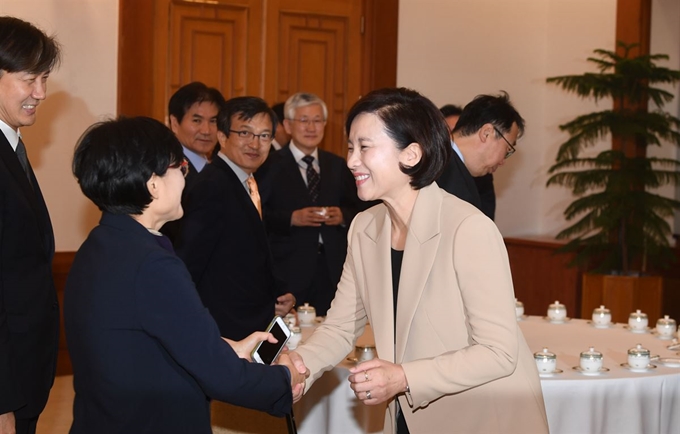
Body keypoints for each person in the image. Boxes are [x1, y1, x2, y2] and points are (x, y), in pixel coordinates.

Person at [290, 88, 548, 434]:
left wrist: (403, 376)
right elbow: (340, 327)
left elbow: (498, 352)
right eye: (351, 147)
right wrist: (294, 368)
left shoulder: (467, 228)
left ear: (411, 154)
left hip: (482, 415)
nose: (351, 160)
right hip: (410, 413)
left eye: (365, 147)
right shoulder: (365, 228)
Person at [65, 117, 306, 433]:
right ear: (153, 184)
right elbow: (223, 377)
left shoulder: (99, 246)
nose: (185, 177)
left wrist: (226, 349)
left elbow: (140, 342)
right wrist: (285, 380)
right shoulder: (152, 265)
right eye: (179, 168)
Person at [174, 97, 296, 341]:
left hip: (248, 322)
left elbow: (249, 253)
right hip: (224, 329)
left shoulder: (245, 180)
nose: (255, 144)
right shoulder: (212, 186)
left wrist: (279, 292)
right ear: (222, 137)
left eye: (264, 136)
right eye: (245, 133)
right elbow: (190, 264)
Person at [0, 17, 61, 434]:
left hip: (25, 370)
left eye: (44, 79)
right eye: (29, 80)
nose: (40, 93)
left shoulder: (13, 145)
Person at [257, 92, 362, 316]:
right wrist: (291, 218)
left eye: (317, 121)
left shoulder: (337, 164)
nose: (311, 127)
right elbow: (258, 215)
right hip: (289, 268)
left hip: (333, 268)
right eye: (304, 120)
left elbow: (361, 208)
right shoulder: (269, 165)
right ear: (287, 125)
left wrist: (342, 216)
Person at [437, 92, 523, 221]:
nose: (502, 162)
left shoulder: (443, 161)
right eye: (507, 149)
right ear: (486, 133)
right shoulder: (438, 168)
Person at [162, 82, 224, 240]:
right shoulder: (168, 169)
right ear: (175, 123)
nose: (206, 131)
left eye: (213, 121)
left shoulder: (217, 166)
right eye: (197, 121)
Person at [440, 103, 497, 220]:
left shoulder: (483, 173)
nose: (453, 139)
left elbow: (486, 217)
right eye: (449, 132)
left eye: (457, 132)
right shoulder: (430, 166)